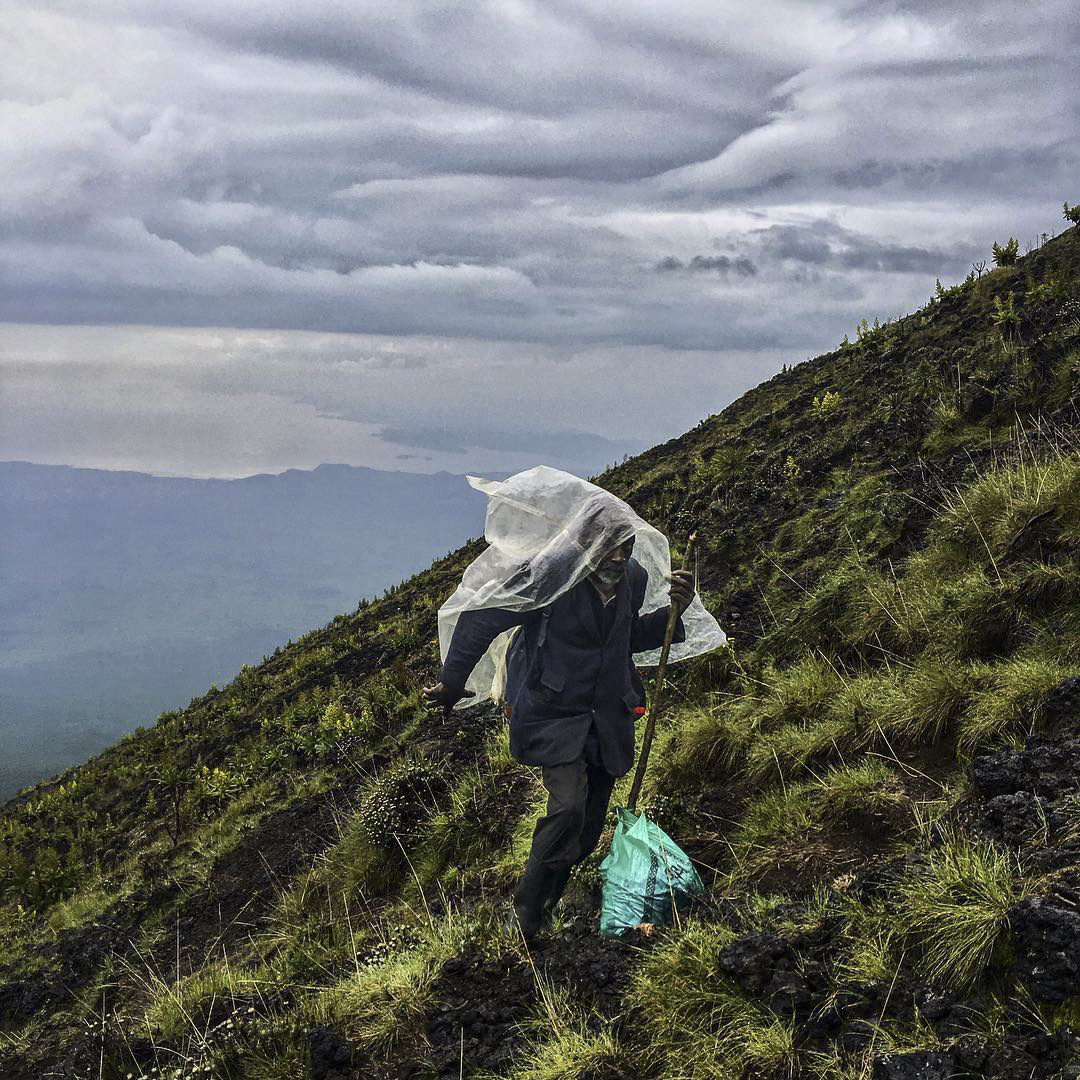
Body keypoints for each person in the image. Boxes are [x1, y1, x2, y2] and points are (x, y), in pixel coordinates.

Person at [421, 496, 695, 940]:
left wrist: (674, 612)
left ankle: (549, 903)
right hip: (555, 714)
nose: (619, 555)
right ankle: (525, 911)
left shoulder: (633, 578)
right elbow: (482, 618)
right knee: (566, 807)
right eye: (609, 546)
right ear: (586, 543)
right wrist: (452, 684)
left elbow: (626, 639)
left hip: (608, 718)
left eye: (625, 545)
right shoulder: (550, 577)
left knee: (587, 830)